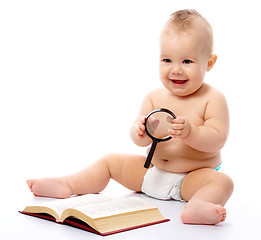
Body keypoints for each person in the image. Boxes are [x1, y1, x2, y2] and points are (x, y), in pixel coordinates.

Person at [27, 9, 234, 225]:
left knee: (223, 182)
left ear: (209, 63)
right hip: (150, 171)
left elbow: (217, 139)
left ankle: (198, 205)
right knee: (109, 161)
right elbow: (139, 139)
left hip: (190, 178)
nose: (176, 69)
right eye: (167, 59)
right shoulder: (154, 97)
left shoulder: (213, 99)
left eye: (187, 62)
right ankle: (68, 184)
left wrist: (192, 132)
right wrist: (140, 131)